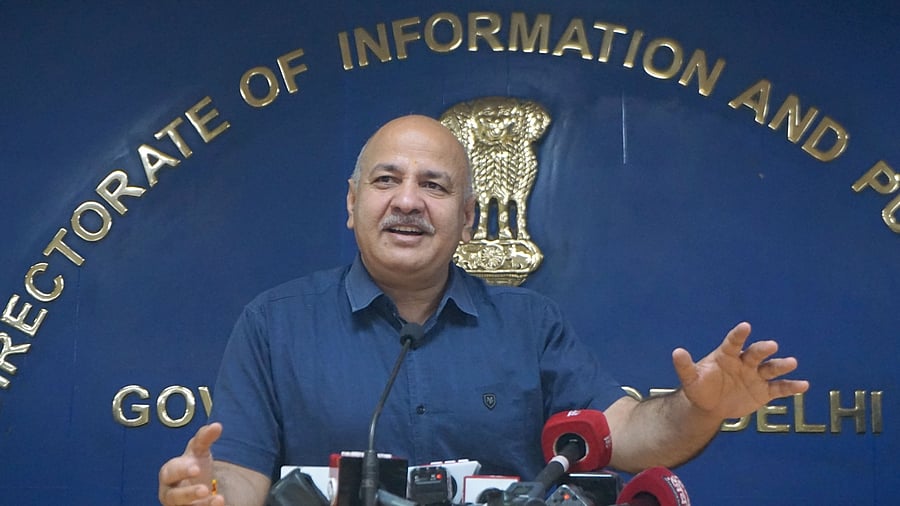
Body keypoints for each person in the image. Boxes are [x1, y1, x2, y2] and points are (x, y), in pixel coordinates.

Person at [158, 114, 809, 506]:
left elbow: (629, 435)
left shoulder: (531, 326)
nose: (408, 201)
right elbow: (237, 482)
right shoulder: (274, 325)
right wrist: (202, 495)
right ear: (352, 204)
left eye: (434, 186)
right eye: (387, 181)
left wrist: (701, 407)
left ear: (468, 219)